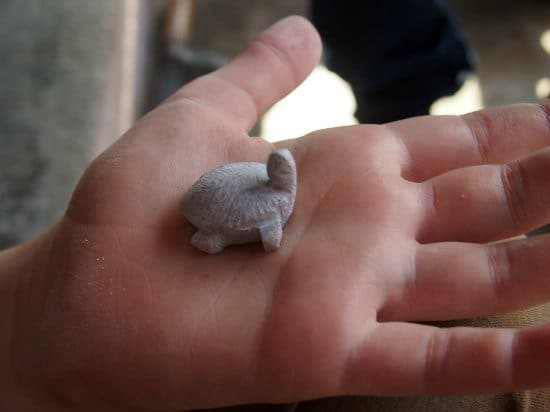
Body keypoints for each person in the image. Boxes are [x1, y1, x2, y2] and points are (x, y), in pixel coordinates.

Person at [1, 16, 550, 412]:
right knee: (484, 320)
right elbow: (267, 232)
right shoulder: (269, 206)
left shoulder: (274, 195)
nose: (286, 175)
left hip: (214, 215)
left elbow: (269, 218)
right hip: (211, 219)